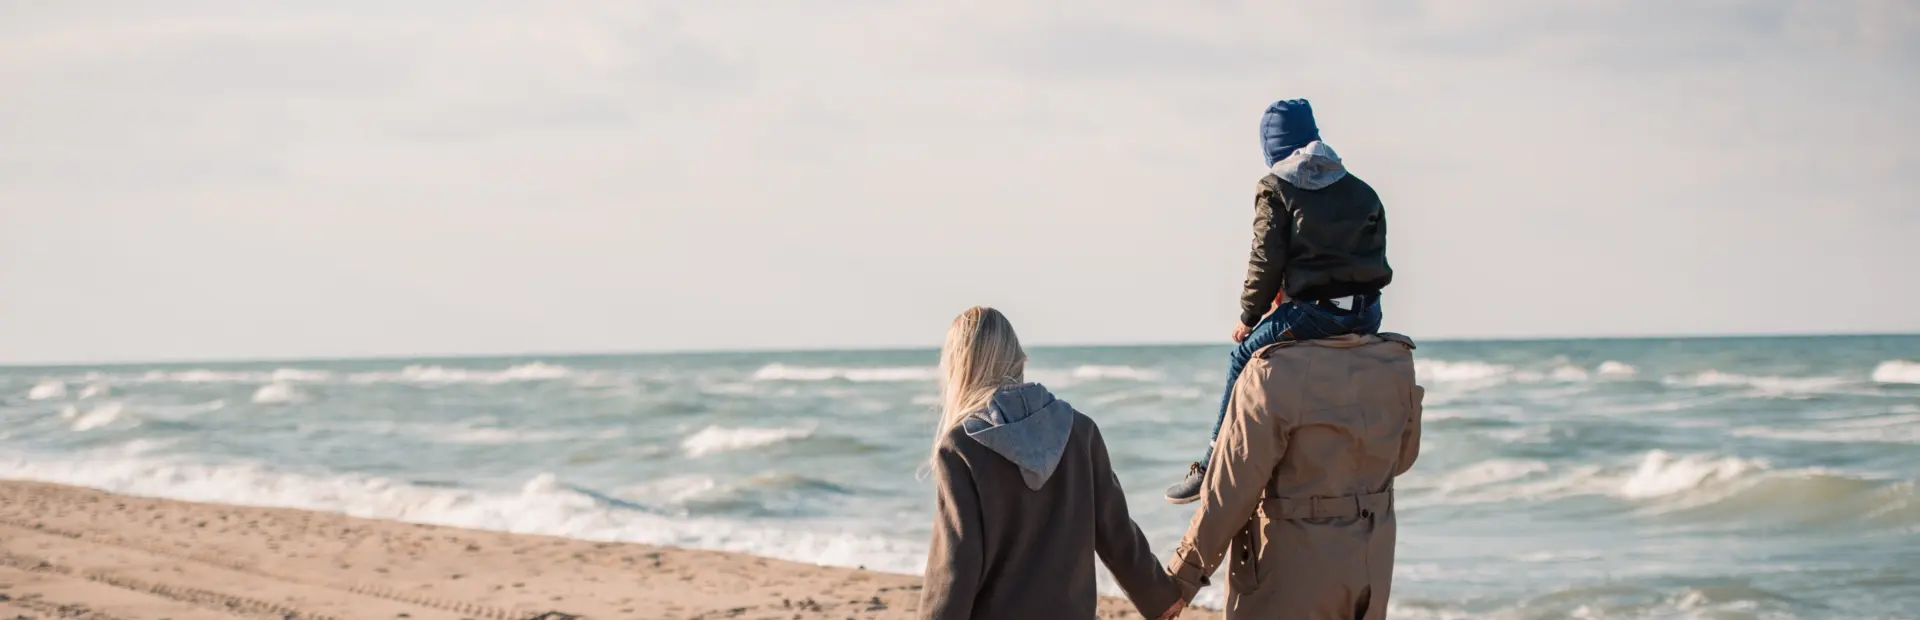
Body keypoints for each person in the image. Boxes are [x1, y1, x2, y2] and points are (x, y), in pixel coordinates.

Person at [1165, 98, 1394, 503]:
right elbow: (1371, 256)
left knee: (1240, 357)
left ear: (1272, 147)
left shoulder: (1276, 186)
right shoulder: (1361, 190)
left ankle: (1211, 464)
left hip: (1314, 315)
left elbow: (1264, 258)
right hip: (1366, 313)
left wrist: (1248, 317)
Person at [918, 306, 1186, 620]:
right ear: (1018, 359)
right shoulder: (1079, 431)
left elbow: (955, 564)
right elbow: (1116, 531)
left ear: (958, 368)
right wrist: (1159, 597)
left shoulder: (961, 446)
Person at [1162, 332, 1425, 619]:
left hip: (1287, 578)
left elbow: (1229, 496)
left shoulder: (1272, 370)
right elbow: (1401, 460)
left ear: (1279, 294)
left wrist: (1180, 581)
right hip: (1369, 570)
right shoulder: (1394, 359)